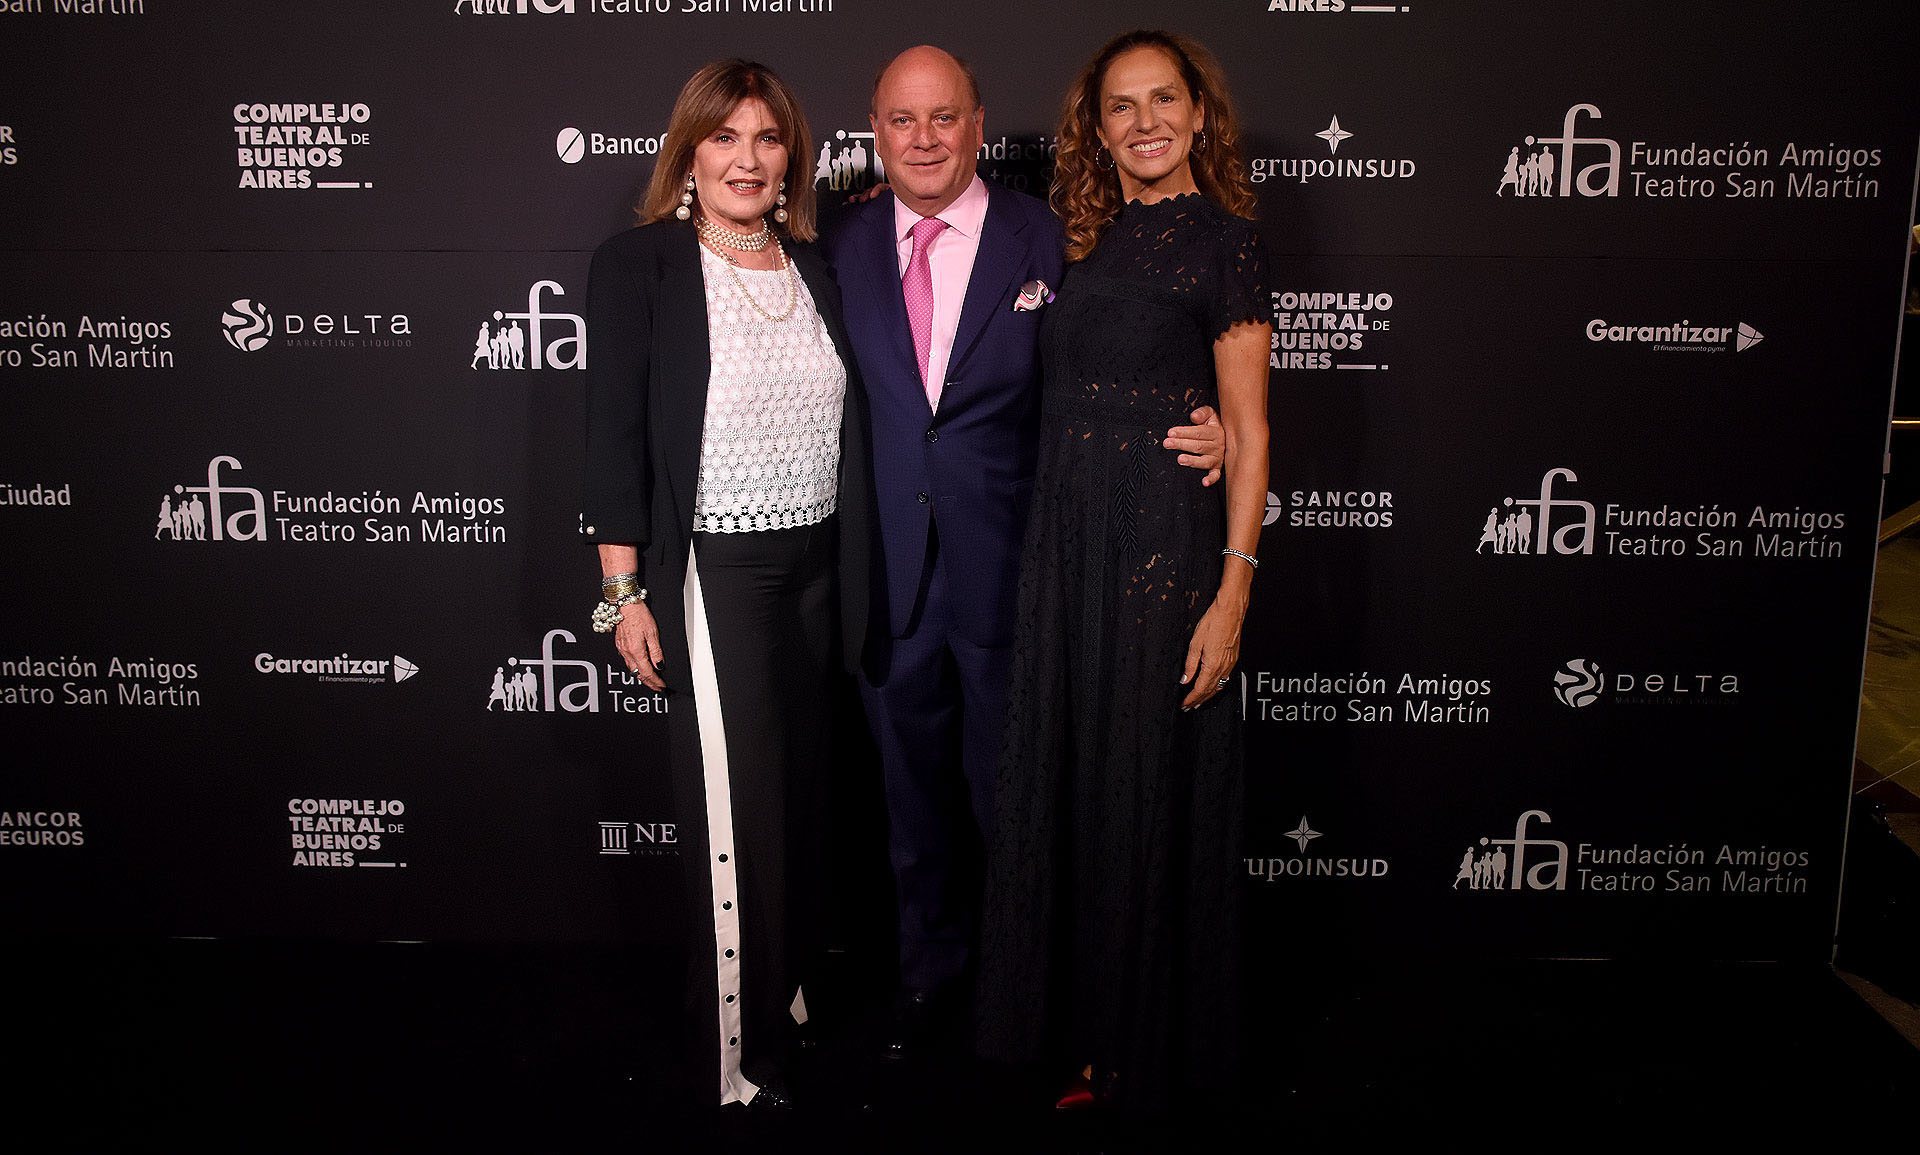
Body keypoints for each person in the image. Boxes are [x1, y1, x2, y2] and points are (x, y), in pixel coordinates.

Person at [819, 45, 1225, 1055]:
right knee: (912, 805)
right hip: (889, 575)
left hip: (1020, 573)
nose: (923, 140)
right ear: (875, 128)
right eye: (902, 120)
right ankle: (933, 972)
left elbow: (1123, 343)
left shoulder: (1051, 234)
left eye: (943, 119)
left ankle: (1035, 988)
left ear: (977, 122)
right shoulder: (838, 240)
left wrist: (1205, 415)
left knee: (1023, 800)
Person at [973, 29, 1273, 1113]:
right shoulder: (1078, 240)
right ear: (1094, 129)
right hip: (1067, 546)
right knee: (1076, 781)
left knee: (1141, 790)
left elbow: (1248, 425)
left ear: (1200, 114)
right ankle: (1075, 1025)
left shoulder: (1226, 242)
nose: (1143, 122)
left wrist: (1232, 593)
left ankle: (1136, 1048)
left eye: (1163, 101)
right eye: (1120, 107)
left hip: (1160, 552)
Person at [581, 58, 873, 1109]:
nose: (748, 159)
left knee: (798, 797)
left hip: (818, 567)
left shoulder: (815, 267)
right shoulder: (641, 266)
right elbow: (611, 434)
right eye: (725, 139)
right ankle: (740, 1060)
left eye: (767, 138)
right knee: (734, 812)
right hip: (717, 571)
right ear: (690, 155)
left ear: (791, 153)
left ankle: (786, 992)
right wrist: (625, 593)